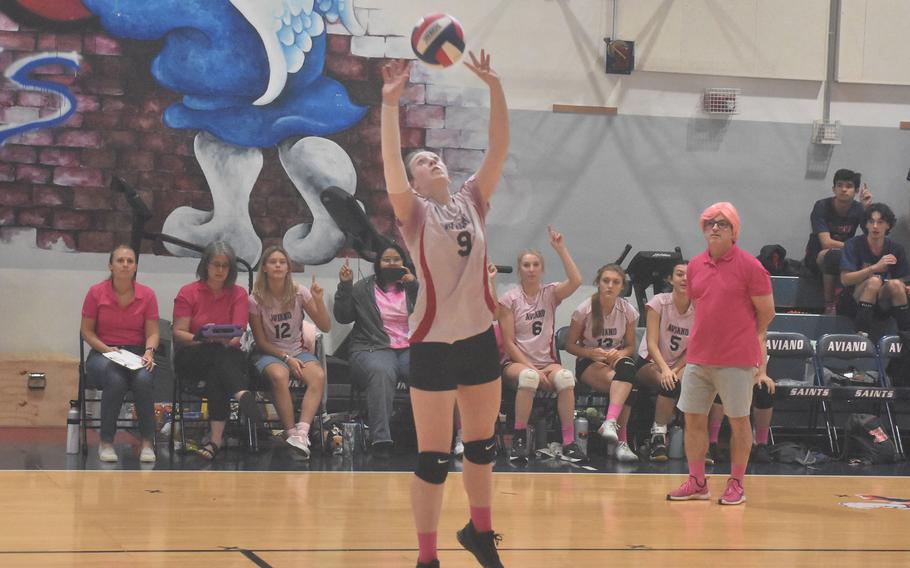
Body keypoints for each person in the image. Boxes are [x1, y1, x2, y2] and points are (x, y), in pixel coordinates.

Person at [381, 49, 508, 568]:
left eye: (434, 157)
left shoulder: (473, 200)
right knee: (433, 458)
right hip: (432, 344)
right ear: (414, 181)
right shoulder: (413, 213)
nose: (431, 159)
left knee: (481, 448)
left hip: (479, 338)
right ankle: (427, 557)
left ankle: (480, 533)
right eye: (421, 161)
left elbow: (498, 147)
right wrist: (390, 105)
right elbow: (391, 165)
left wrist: (494, 87)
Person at [666, 202, 774, 506]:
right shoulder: (695, 265)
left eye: (722, 223)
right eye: (710, 222)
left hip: (737, 359)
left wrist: (746, 340)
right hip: (699, 357)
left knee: (739, 422)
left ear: (734, 231)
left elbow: (766, 313)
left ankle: (736, 483)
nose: (715, 227)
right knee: (693, 419)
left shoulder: (751, 266)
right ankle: (697, 481)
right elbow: (701, 306)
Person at [499, 226, 584, 462]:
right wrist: (533, 369)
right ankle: (518, 437)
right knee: (529, 378)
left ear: (542, 269)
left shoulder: (550, 293)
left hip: (547, 362)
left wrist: (560, 249)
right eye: (526, 265)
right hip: (515, 363)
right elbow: (508, 344)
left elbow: (576, 280)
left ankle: (569, 442)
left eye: (536, 265)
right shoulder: (509, 299)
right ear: (519, 270)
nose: (531, 269)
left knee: (566, 378)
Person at [172, 241, 262, 460]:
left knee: (218, 372)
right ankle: (241, 393)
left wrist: (221, 338)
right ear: (206, 265)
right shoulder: (188, 292)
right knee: (216, 355)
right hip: (193, 354)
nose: (221, 270)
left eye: (226, 266)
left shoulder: (238, 293)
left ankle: (215, 442)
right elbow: (179, 333)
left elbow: (237, 334)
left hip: (226, 354)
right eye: (216, 265)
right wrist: (201, 337)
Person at [334, 244, 417, 458]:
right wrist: (345, 286)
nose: (391, 264)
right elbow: (343, 317)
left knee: (428, 372)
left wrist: (414, 287)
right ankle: (381, 439)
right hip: (371, 347)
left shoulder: (414, 287)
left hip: (409, 347)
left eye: (396, 259)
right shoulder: (363, 288)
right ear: (378, 264)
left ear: (405, 263)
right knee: (381, 372)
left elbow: (430, 315)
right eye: (386, 260)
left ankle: (431, 436)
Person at [249, 245, 331, 458]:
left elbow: (325, 325)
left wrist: (319, 301)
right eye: (273, 261)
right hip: (270, 353)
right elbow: (260, 341)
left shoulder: (299, 292)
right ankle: (290, 431)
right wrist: (285, 358)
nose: (278, 265)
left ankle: (302, 432)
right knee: (279, 374)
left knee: (318, 376)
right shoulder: (255, 298)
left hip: (298, 350)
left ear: (288, 268)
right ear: (264, 268)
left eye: (282, 262)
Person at [80, 244, 159, 463]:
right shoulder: (96, 292)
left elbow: (153, 333)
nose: (125, 265)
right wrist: (106, 350)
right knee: (115, 379)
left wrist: (149, 352)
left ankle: (146, 442)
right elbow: (86, 331)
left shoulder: (147, 294)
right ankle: (106, 442)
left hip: (135, 354)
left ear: (135, 267)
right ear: (111, 265)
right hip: (103, 352)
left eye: (130, 261)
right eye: (120, 261)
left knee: (143, 379)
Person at [565, 264, 640, 462]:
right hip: (589, 363)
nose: (610, 285)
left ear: (622, 287)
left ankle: (610, 422)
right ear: (598, 283)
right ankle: (621, 441)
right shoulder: (585, 309)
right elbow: (569, 344)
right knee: (628, 386)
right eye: (606, 281)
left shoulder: (628, 311)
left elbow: (631, 347)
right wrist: (589, 352)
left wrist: (619, 352)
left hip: (614, 362)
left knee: (628, 372)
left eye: (615, 282)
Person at [633, 260, 693, 462]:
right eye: (679, 274)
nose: (685, 278)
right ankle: (657, 437)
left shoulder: (700, 307)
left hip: (680, 363)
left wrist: (676, 368)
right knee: (669, 383)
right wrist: (666, 369)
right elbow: (651, 343)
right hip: (651, 362)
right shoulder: (659, 302)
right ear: (670, 279)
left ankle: (700, 441)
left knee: (699, 382)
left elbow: (694, 348)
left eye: (689, 274)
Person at [803, 169, 872, 314]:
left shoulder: (859, 209)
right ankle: (830, 304)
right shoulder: (821, 206)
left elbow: (871, 239)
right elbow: (826, 243)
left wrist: (867, 210)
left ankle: (862, 307)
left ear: (856, 191)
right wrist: (854, 247)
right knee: (833, 255)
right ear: (833, 189)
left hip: (845, 257)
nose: (843, 189)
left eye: (849, 186)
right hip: (817, 257)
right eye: (839, 185)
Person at [839, 202, 910, 337]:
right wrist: (874, 268)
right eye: (871, 222)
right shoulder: (853, 244)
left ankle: (906, 335)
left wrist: (905, 288)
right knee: (874, 281)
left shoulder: (896, 249)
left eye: (880, 222)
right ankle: (860, 334)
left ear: (888, 225)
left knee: (896, 285)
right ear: (866, 225)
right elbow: (845, 280)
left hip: (882, 301)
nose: (875, 226)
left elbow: (900, 280)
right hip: (853, 300)